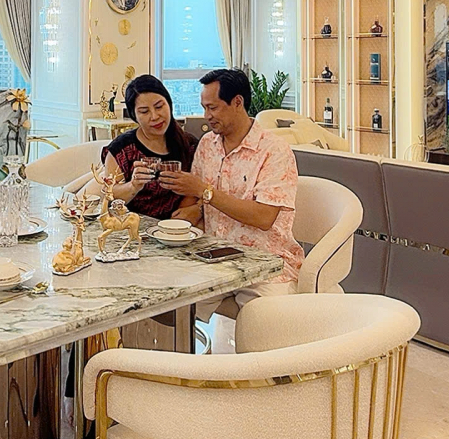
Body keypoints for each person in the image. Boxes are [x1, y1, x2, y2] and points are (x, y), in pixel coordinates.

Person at [160, 68, 300, 298]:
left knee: (263, 316)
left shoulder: (274, 150)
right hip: (213, 257)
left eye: (213, 107)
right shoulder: (207, 144)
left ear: (237, 102)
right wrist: (195, 210)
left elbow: (264, 218)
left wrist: (205, 192)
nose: (207, 116)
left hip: (265, 264)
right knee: (169, 298)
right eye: (204, 108)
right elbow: (196, 199)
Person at [97, 75, 200, 220]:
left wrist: (195, 209)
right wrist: (133, 186)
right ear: (134, 116)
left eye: (159, 106)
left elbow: (201, 188)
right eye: (144, 111)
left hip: (178, 226)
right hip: (132, 225)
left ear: (169, 104)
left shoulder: (189, 144)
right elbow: (109, 196)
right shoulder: (122, 150)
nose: (155, 116)